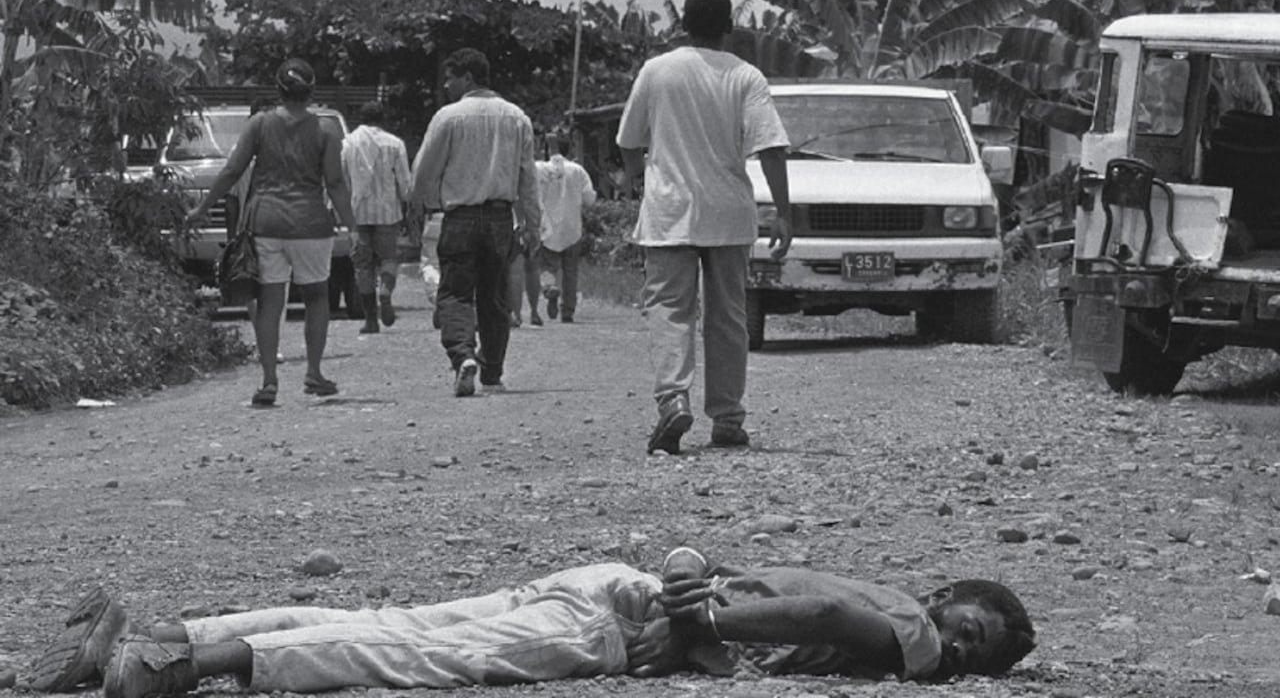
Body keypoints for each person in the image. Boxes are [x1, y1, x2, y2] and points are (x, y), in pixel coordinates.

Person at [27, 547, 1035, 697]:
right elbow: (819, 613)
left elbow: (718, 567)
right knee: (420, 651)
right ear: (947, 599)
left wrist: (691, 590)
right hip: (620, 623)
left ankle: (153, 635)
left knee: (394, 616)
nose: (961, 655)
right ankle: (193, 662)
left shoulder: (882, 590)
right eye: (971, 633)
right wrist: (703, 633)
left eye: (974, 659)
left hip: (610, 580)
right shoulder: (906, 635)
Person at [616, 0, 793, 454]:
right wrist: (783, 213)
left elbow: (629, 142)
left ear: (683, 25)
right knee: (728, 315)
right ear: (729, 27)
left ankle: (674, 399)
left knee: (669, 308)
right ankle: (728, 417)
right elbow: (771, 147)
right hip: (729, 215)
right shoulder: (746, 76)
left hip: (670, 212)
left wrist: (639, 182)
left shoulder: (657, 70)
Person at [188, 58, 355, 406]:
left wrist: (202, 209)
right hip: (311, 223)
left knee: (269, 301)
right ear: (311, 92)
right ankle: (314, 373)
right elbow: (335, 183)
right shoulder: (326, 130)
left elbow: (232, 171)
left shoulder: (260, 124)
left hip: (266, 223)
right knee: (317, 297)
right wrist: (354, 227)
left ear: (278, 90)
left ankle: (269, 381)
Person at [410, 48, 541, 397]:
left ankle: (463, 356)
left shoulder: (448, 117)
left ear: (467, 77)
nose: (446, 85)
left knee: (455, 293)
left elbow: (423, 172)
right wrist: (533, 225)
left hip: (460, 217)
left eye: (450, 78)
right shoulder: (517, 117)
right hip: (500, 218)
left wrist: (420, 206)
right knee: (494, 296)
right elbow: (528, 178)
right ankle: (492, 371)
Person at [342, 100, 413, 335]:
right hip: (387, 213)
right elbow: (405, 182)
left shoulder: (348, 143)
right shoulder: (395, 144)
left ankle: (370, 320)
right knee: (388, 258)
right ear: (383, 119)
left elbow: (342, 180)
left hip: (357, 213)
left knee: (362, 266)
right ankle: (385, 290)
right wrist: (408, 206)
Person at [232, 97, 285, 366]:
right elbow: (232, 197)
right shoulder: (239, 152)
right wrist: (232, 237)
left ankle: (270, 345)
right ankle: (267, 342)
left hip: (274, 229)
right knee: (254, 290)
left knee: (273, 288)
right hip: (251, 231)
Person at [534, 130, 597, 324]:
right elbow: (589, 199)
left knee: (546, 266)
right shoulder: (578, 170)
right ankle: (568, 310)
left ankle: (549, 288)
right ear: (569, 150)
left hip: (546, 228)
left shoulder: (539, 168)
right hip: (572, 227)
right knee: (571, 271)